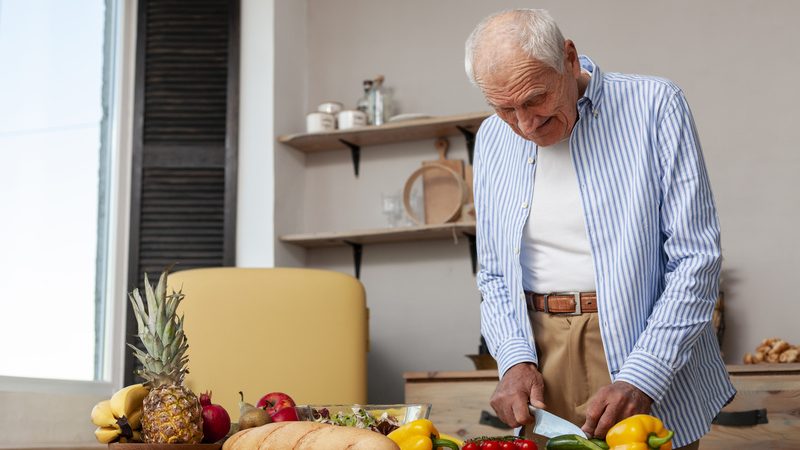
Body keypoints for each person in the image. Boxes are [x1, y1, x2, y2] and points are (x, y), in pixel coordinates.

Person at [465, 9, 734, 449]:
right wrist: (513, 360)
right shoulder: (493, 138)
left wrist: (643, 375)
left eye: (535, 99)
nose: (526, 125)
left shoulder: (655, 105)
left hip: (643, 342)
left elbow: (696, 259)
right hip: (540, 356)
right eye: (505, 109)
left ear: (568, 58)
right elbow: (494, 273)